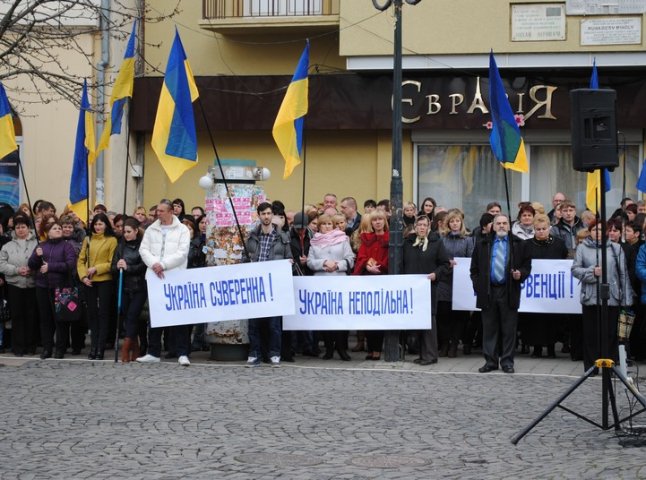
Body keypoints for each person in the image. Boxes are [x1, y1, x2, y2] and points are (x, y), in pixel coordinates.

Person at [470, 214, 531, 374]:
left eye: (505, 223)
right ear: (493, 226)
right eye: (499, 223)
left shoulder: (518, 244)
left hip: (508, 289)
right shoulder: (483, 244)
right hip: (489, 290)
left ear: (509, 226)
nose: (502, 226)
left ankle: (507, 361)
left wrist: (520, 274)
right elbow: (474, 269)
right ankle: (490, 361)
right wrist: (479, 286)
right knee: (489, 328)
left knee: (508, 328)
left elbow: (527, 266)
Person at [136, 199, 191, 366]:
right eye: (157, 210)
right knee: (155, 316)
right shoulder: (151, 229)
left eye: (161, 211)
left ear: (170, 212)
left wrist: (164, 265)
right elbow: (143, 249)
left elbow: (182, 253)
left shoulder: (182, 230)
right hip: (154, 276)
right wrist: (154, 264)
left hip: (175, 276)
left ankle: (182, 352)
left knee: (178, 317)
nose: (157, 213)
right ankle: (153, 351)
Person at [573, 220, 633, 373]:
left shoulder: (616, 248)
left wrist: (626, 298)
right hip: (591, 297)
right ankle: (591, 366)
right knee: (590, 333)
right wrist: (592, 273)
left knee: (610, 334)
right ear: (590, 231)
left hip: (611, 297)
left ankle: (609, 365)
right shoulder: (582, 248)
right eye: (594, 229)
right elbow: (575, 270)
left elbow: (622, 274)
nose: (597, 232)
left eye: (601, 229)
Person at [244, 202, 293, 367]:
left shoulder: (282, 237)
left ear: (273, 215)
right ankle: (254, 353)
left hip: (274, 285)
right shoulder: (252, 236)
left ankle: (274, 353)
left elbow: (288, 258)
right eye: (263, 214)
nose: (266, 216)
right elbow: (246, 259)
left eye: (269, 213)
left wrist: (290, 263)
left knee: (273, 324)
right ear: (259, 215)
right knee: (254, 324)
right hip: (256, 286)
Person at [402, 215, 450, 365]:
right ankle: (422, 354)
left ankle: (430, 355)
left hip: (429, 287)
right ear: (415, 227)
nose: (422, 227)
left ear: (429, 227)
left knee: (429, 320)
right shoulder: (408, 243)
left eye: (425, 225)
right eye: (419, 225)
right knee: (418, 321)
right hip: (412, 288)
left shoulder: (436, 243)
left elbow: (445, 264)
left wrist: (436, 274)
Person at [307, 214, 355, 361]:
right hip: (321, 283)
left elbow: (350, 259)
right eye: (324, 224)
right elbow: (309, 261)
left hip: (339, 280)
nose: (327, 227)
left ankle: (341, 348)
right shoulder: (314, 242)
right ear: (319, 226)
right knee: (325, 318)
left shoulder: (342, 239)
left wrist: (337, 265)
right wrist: (323, 263)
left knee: (341, 317)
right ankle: (328, 349)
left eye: (329, 224)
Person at [28, 221, 77, 359]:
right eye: (54, 228)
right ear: (47, 232)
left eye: (59, 228)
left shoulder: (67, 246)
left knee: (60, 319)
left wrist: (51, 267)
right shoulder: (41, 245)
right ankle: (47, 348)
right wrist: (36, 256)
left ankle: (60, 349)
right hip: (43, 286)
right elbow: (31, 264)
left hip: (60, 288)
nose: (58, 230)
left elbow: (70, 264)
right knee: (45, 319)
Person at [524, 214, 568, 358]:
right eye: (538, 229)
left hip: (552, 288)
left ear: (549, 228)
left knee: (552, 319)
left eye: (544, 229)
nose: (541, 231)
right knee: (534, 319)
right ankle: (536, 348)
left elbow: (564, 261)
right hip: (534, 289)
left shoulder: (559, 244)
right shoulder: (527, 245)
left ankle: (551, 347)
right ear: (534, 229)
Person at [77, 212, 118, 360]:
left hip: (104, 280)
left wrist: (97, 268)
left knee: (103, 314)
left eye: (100, 224)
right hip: (89, 281)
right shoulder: (87, 239)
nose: (98, 226)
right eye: (95, 224)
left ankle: (100, 347)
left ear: (106, 225)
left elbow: (111, 261)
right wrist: (83, 276)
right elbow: (81, 260)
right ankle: (93, 346)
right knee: (92, 314)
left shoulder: (111, 240)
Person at [437, 210, 474, 357]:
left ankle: (454, 344)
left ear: (461, 222)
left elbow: (471, 258)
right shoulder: (442, 239)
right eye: (452, 221)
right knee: (444, 313)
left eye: (457, 221)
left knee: (459, 316)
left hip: (460, 281)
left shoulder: (467, 239)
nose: (454, 224)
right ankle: (444, 343)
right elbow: (438, 257)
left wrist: (461, 264)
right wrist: (447, 262)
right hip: (444, 280)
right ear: (448, 223)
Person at [353, 210, 389, 360]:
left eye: (380, 219)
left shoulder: (389, 239)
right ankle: (370, 347)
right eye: (375, 220)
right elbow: (361, 256)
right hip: (368, 278)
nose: (378, 222)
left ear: (384, 222)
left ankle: (377, 349)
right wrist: (367, 265)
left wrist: (378, 266)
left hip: (382, 279)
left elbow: (390, 259)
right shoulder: (366, 238)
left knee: (378, 316)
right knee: (367, 314)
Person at [0, 214, 38, 356]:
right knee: (17, 316)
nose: (21, 230)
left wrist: (31, 270)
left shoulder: (36, 243)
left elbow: (42, 261)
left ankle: (31, 345)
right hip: (14, 284)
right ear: (14, 229)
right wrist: (16, 270)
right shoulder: (7, 245)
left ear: (28, 228)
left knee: (31, 316)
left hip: (32, 284)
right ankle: (18, 347)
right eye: (18, 227)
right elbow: (1, 264)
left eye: (23, 227)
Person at [111, 217, 147, 363]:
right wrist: (118, 266)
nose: (125, 234)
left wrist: (128, 268)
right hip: (123, 287)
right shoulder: (120, 247)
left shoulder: (143, 247)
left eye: (128, 231)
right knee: (127, 318)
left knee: (132, 316)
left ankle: (125, 348)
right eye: (124, 231)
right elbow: (112, 267)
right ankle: (136, 347)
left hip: (139, 287)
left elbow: (143, 266)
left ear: (136, 231)